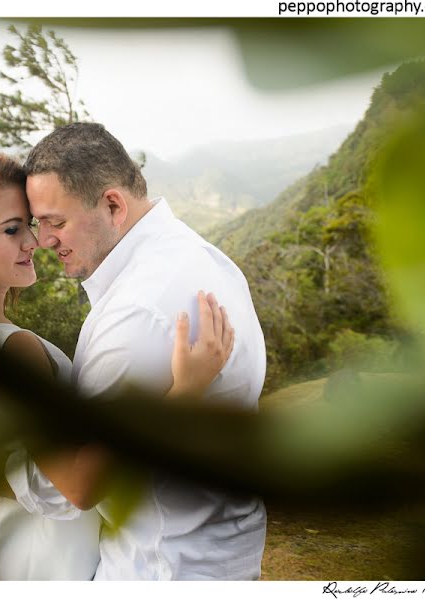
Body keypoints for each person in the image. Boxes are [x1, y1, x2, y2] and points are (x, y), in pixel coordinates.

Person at [0, 150, 235, 580]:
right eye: (11, 230)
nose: (34, 242)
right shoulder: (14, 349)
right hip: (41, 562)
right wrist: (183, 393)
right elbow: (77, 485)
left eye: (33, 225)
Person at [17, 122, 268, 580]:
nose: (44, 240)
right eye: (37, 223)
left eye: (56, 221)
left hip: (160, 566)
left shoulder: (136, 315)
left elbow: (77, 485)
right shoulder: (202, 255)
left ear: (113, 204)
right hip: (217, 550)